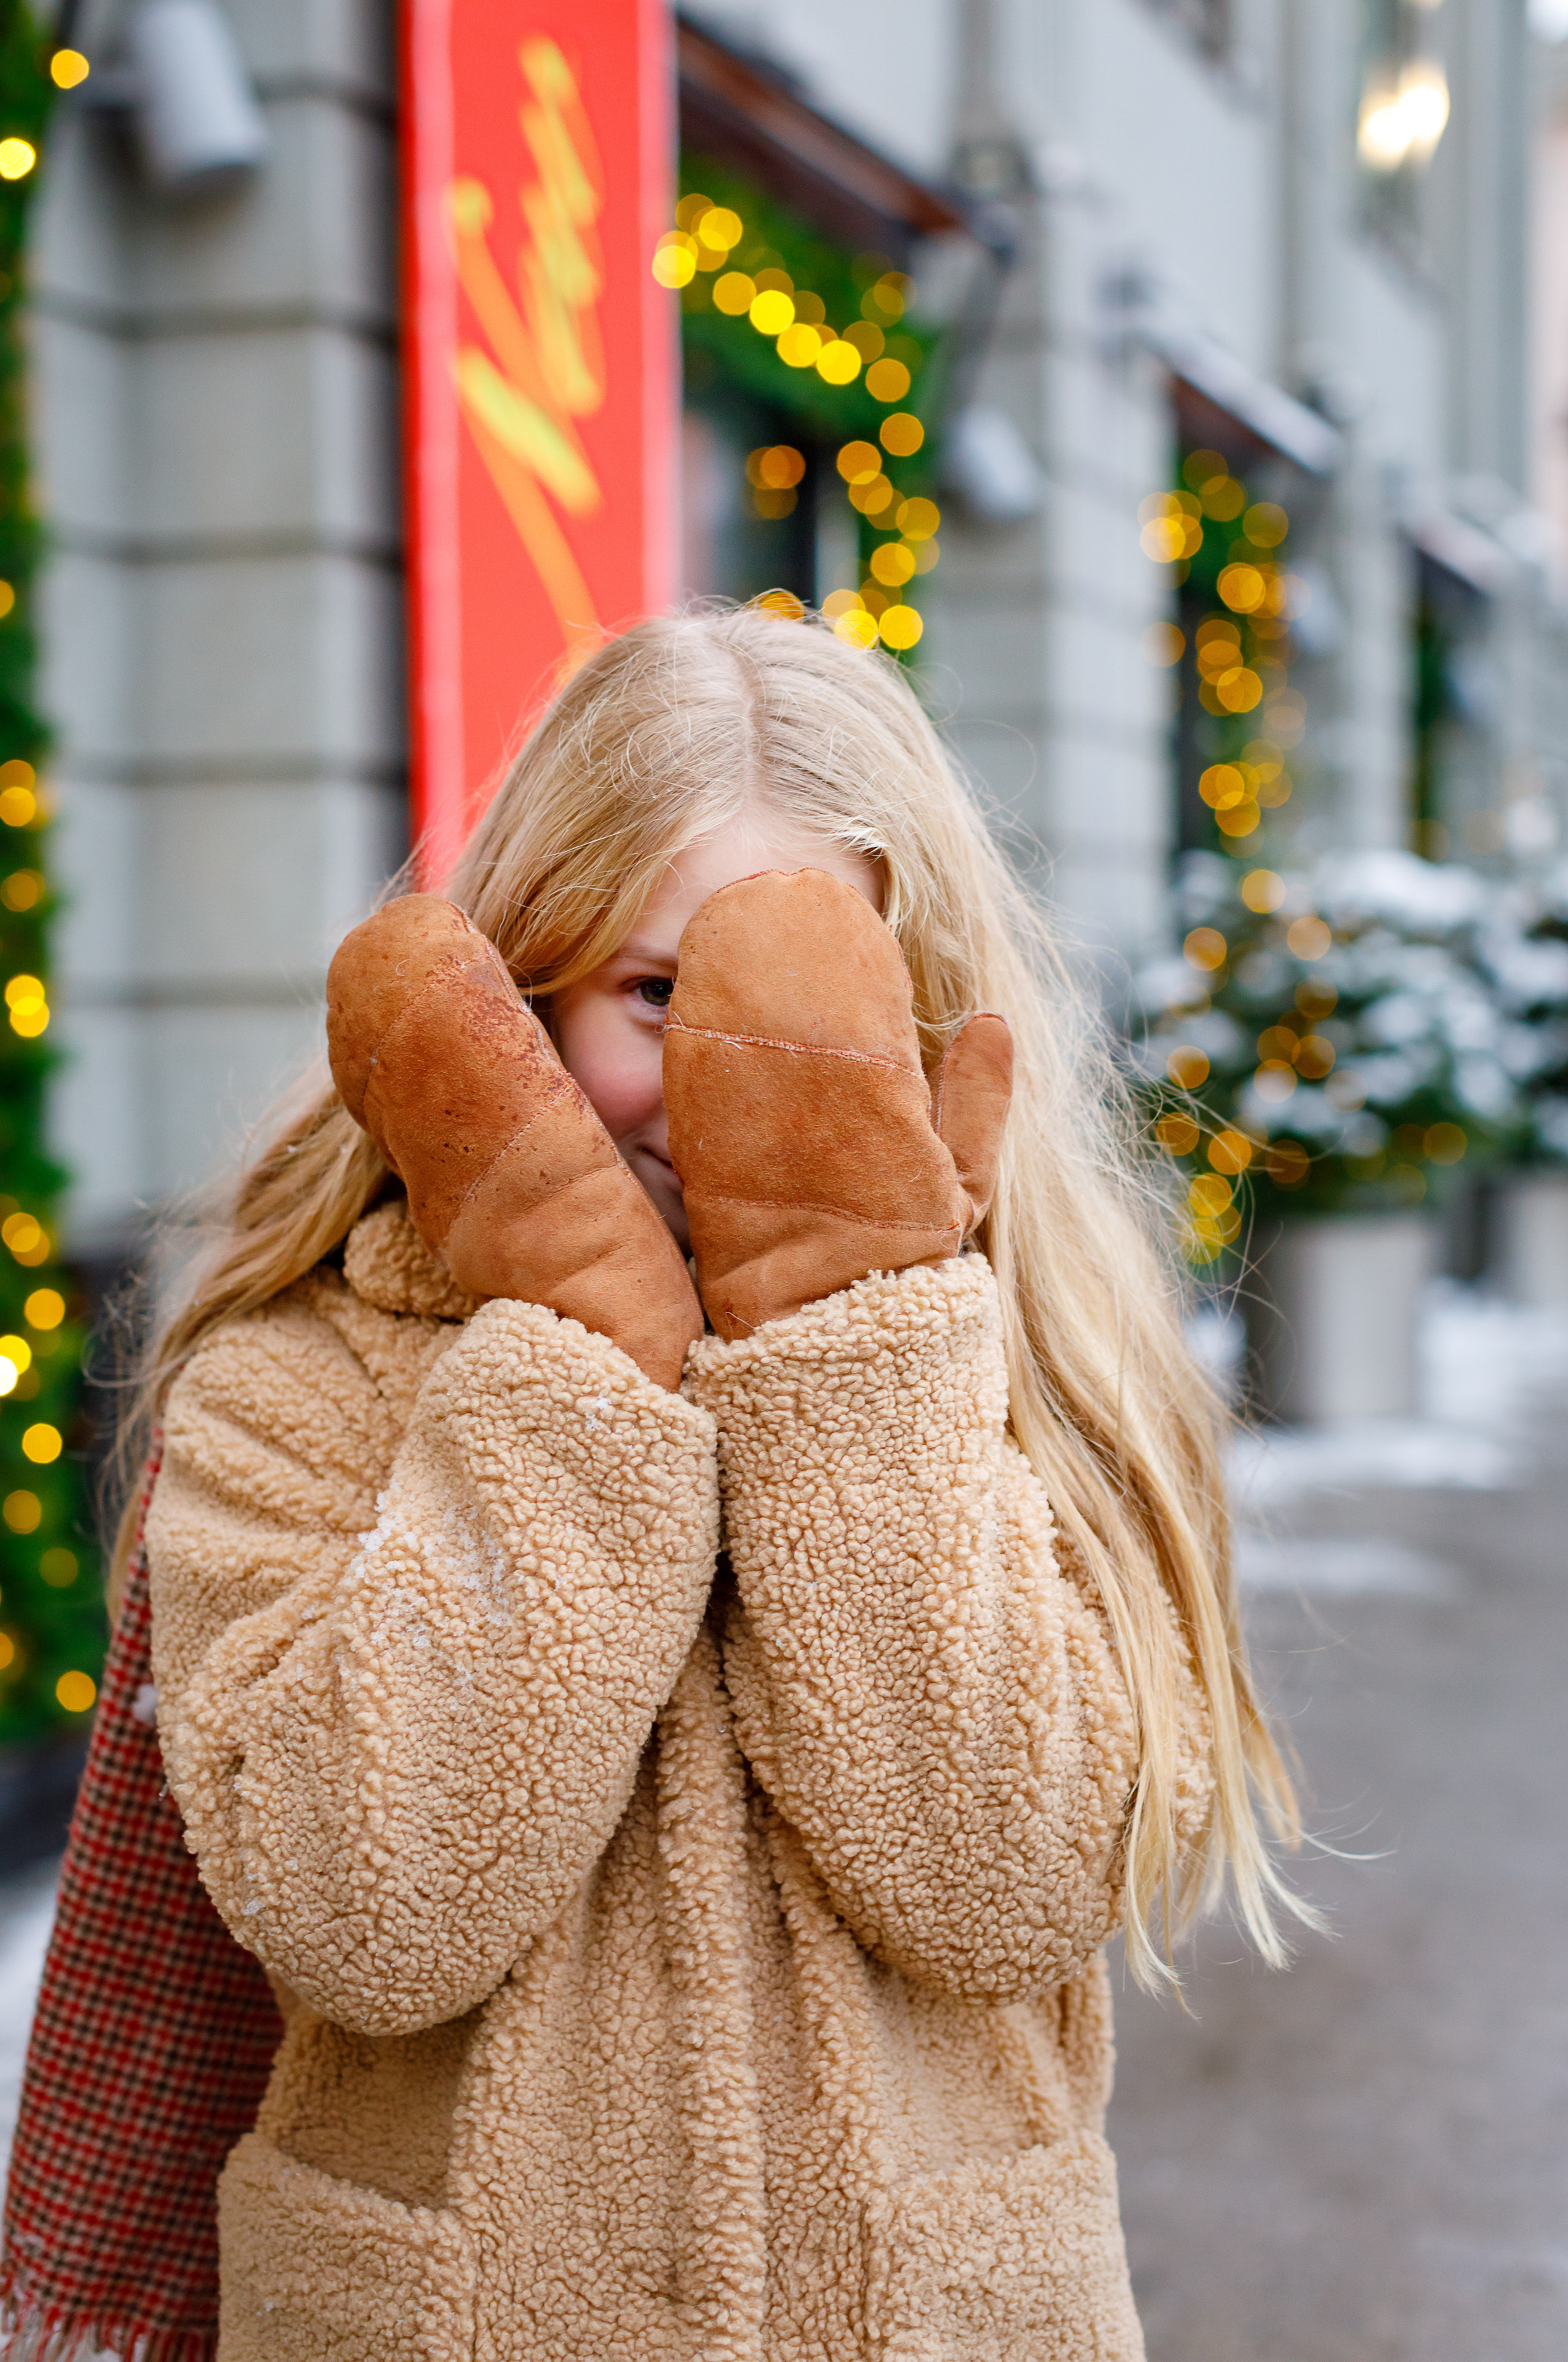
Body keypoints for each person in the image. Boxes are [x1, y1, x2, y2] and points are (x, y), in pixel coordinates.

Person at [130, 607, 1299, 2359]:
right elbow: (363, 1913)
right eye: (662, 994)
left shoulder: (1027, 1373)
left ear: (937, 1026)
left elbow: (1007, 1881)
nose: (718, 1085)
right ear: (522, 985)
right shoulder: (300, 1385)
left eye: (831, 1003)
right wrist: (582, 1370)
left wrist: (852, 1342)